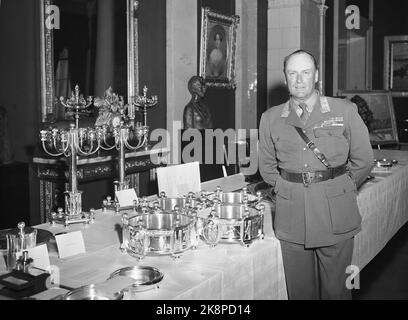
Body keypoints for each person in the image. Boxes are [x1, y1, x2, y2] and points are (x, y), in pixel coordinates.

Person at [258, 49, 374, 300]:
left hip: (336, 214)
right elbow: (267, 168)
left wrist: (341, 187)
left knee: (338, 292)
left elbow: (364, 159)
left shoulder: (344, 110)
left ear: (317, 75)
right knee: (300, 294)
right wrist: (285, 189)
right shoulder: (271, 118)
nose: (299, 80)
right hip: (292, 216)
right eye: (292, 73)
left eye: (306, 72)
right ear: (285, 77)